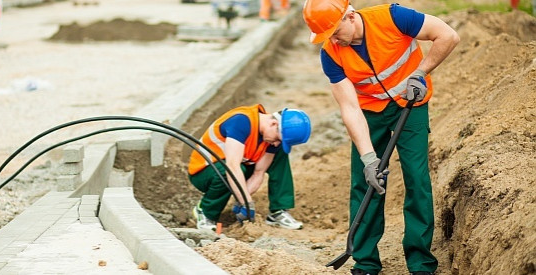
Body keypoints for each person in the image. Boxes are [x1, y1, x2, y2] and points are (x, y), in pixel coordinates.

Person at [302, 1, 459, 275]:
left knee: (417, 178)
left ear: (350, 16)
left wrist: (420, 73)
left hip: (410, 104)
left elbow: (448, 35)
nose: (334, 40)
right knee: (365, 181)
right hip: (369, 111)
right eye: (327, 37)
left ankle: (420, 262)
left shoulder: (393, 17)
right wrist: (368, 159)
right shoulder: (331, 54)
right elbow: (349, 107)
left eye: (335, 32)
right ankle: (365, 263)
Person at [187, 104, 311, 231]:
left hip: (238, 169)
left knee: (280, 154)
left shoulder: (272, 135)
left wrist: (242, 200)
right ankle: (205, 212)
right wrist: (246, 202)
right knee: (227, 170)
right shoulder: (241, 122)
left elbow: (259, 172)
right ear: (273, 124)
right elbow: (232, 167)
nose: (276, 143)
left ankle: (278, 211)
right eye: (278, 139)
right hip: (205, 172)